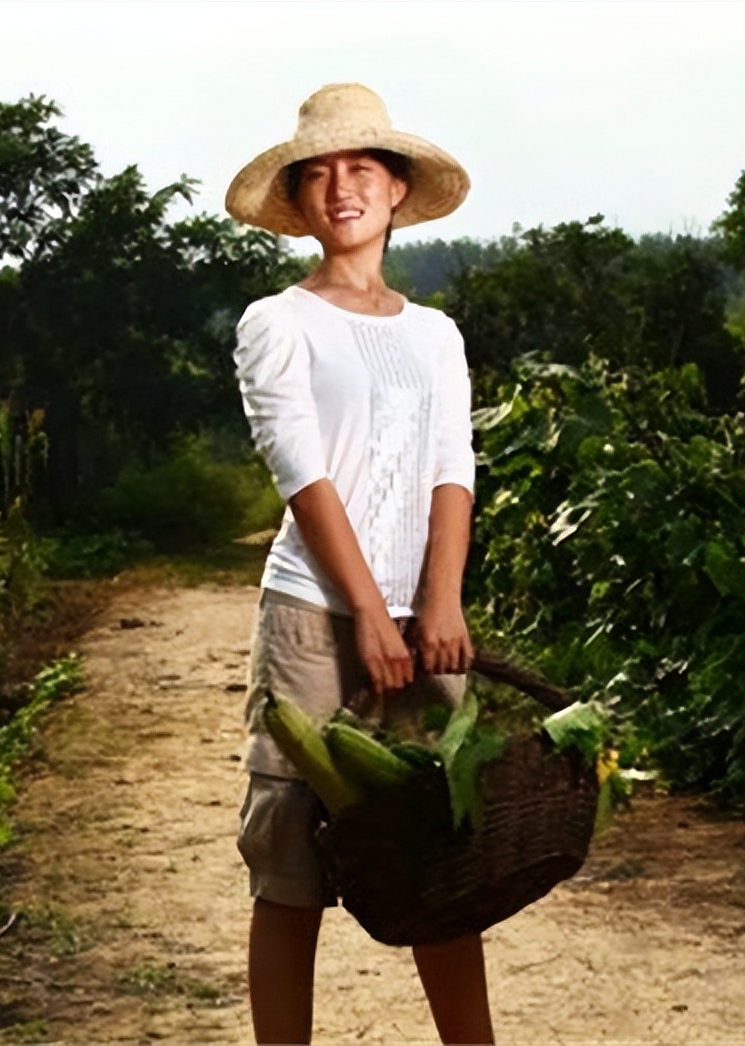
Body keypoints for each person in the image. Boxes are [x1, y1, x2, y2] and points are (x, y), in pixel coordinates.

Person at [224, 83, 494, 1045]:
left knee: (443, 857)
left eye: (362, 168)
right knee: (291, 863)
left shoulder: (435, 334)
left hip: (423, 626)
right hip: (310, 621)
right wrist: (369, 615)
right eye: (321, 173)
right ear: (300, 201)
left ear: (394, 188)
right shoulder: (277, 321)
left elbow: (451, 467)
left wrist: (439, 601)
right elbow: (301, 467)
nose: (342, 187)